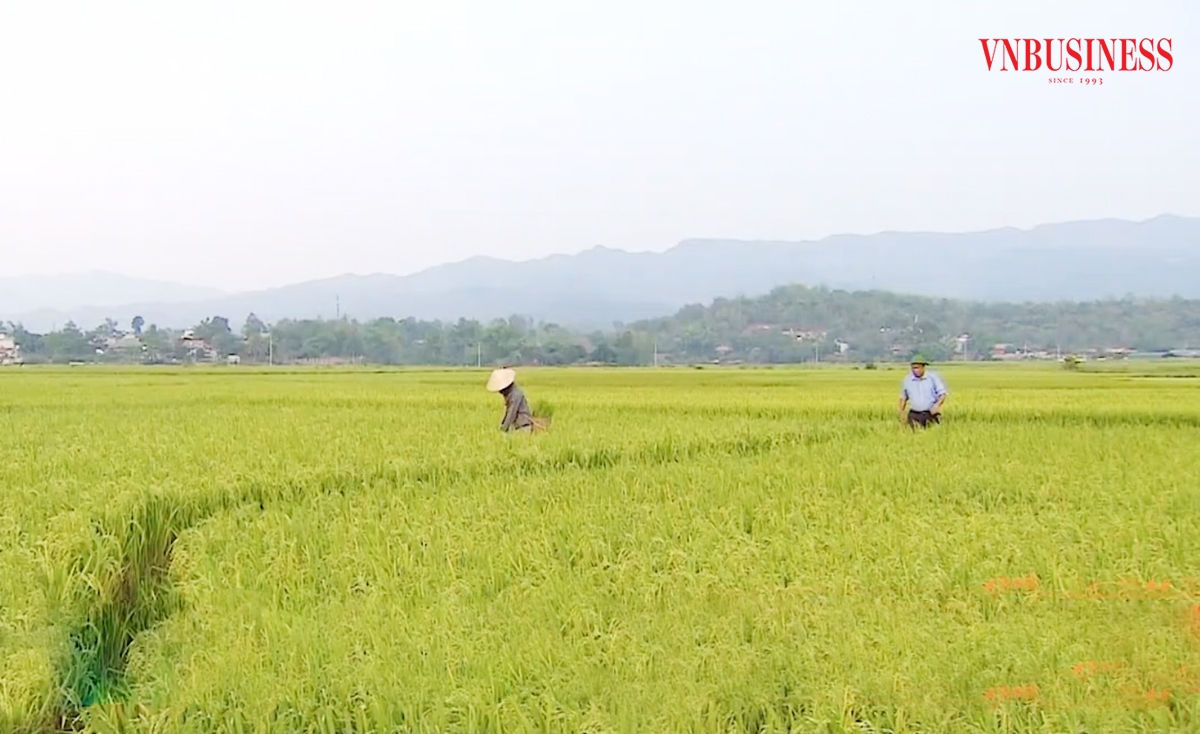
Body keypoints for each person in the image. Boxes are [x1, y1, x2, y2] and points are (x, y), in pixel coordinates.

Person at [898, 354, 948, 428]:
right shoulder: (907, 380)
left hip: (930, 413)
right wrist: (901, 412)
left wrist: (937, 405)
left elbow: (942, 394)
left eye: (917, 368)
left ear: (923, 367)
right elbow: (903, 398)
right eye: (913, 368)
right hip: (914, 414)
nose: (915, 370)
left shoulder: (933, 378)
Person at [486, 368, 536, 432]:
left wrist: (503, 429)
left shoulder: (515, 394)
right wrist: (503, 424)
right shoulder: (511, 394)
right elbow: (508, 412)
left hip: (523, 427)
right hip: (517, 426)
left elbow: (511, 413)